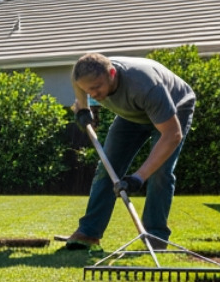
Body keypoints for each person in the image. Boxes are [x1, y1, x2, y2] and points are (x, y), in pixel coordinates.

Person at [63, 52, 196, 249]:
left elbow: (172, 135)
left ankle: (155, 237)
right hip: (132, 115)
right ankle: (89, 233)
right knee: (107, 169)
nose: (95, 95)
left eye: (97, 88)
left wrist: (138, 177)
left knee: (161, 172)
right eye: (88, 91)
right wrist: (83, 108)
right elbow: (78, 84)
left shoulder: (145, 85)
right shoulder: (82, 77)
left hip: (174, 110)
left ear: (112, 73)